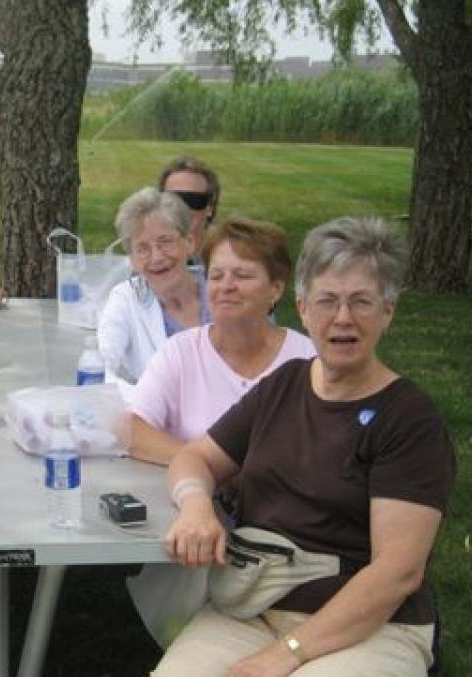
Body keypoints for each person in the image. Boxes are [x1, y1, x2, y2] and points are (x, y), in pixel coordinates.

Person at [121, 217, 457, 677]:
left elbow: (398, 572)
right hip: (255, 605)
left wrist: (287, 655)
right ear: (302, 307)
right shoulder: (283, 387)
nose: (342, 319)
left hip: (372, 631)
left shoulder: (409, 421)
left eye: (361, 302)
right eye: (328, 301)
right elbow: (193, 459)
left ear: (389, 313)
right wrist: (196, 505)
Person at [126, 216, 315, 466]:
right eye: (216, 276)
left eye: (242, 275)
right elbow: (133, 431)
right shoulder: (181, 352)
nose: (226, 286)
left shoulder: (307, 359)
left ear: (275, 289)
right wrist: (210, 465)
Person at [98, 187, 212, 389]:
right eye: (142, 249)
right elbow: (100, 369)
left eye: (165, 242)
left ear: (189, 243)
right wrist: (150, 406)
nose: (157, 257)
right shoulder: (126, 299)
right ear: (132, 260)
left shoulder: (219, 292)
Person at [157, 155, 221, 266]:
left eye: (192, 199)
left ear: (209, 207)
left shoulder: (226, 261)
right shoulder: (144, 261)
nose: (181, 207)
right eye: (172, 199)